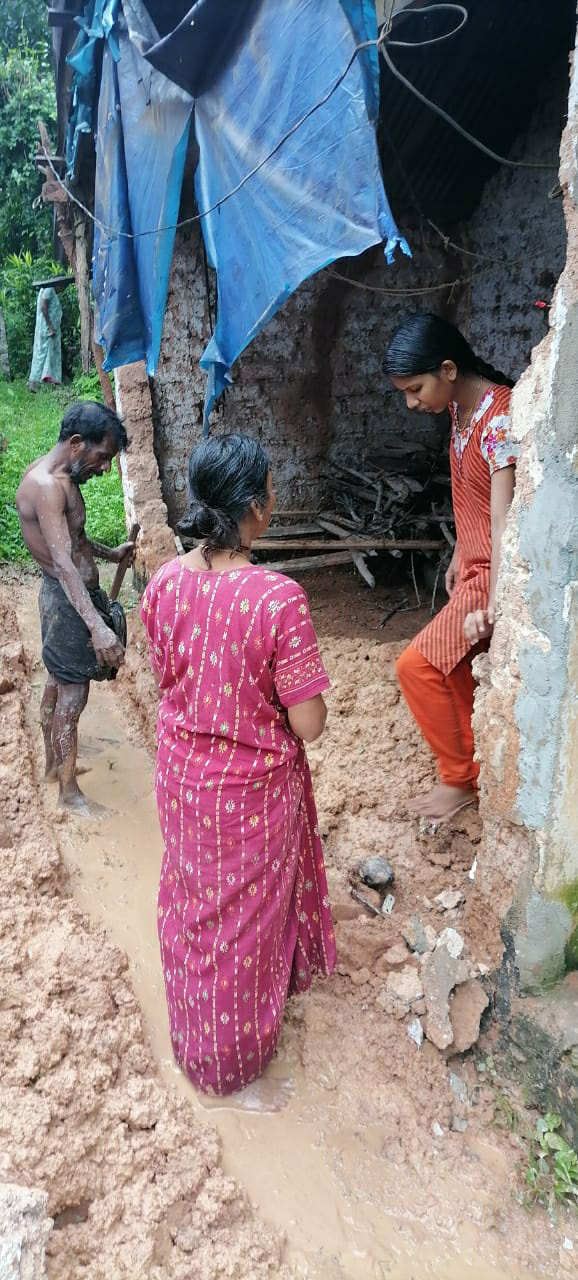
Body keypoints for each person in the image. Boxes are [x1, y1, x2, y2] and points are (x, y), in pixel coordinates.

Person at [141, 434, 336, 1096]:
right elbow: (308, 723)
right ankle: (231, 1067)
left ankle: (193, 1034)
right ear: (254, 508)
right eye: (273, 490)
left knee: (196, 906)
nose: (275, 500)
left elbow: (167, 676)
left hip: (181, 779)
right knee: (244, 927)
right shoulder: (277, 599)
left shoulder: (165, 580)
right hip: (251, 795)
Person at [383, 313, 517, 821]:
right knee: (451, 666)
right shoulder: (462, 415)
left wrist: (495, 604)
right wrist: (460, 551)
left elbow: (505, 518)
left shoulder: (498, 417)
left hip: (495, 574)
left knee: (416, 667)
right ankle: (475, 767)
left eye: (415, 389)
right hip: (476, 564)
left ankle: (460, 778)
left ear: (448, 368)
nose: (411, 402)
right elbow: (472, 499)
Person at [15, 401, 135, 815]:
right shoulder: (46, 486)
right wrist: (98, 628)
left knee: (58, 680)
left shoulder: (66, 475)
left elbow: (75, 542)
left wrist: (111, 552)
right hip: (67, 603)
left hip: (72, 598)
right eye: (102, 457)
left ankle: (53, 766)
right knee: (73, 693)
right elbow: (64, 564)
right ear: (78, 443)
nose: (104, 468)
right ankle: (69, 795)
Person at [27, 278, 69, 391]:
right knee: (42, 354)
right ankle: (33, 382)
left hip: (49, 329)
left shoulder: (50, 291)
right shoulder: (48, 289)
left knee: (49, 355)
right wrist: (50, 325)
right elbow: (43, 307)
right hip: (47, 329)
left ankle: (47, 381)